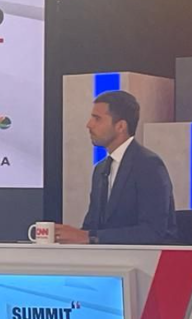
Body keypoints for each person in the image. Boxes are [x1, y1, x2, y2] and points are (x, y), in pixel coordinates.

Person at [56, 90, 178, 245]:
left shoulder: (149, 165)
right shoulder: (100, 169)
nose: (89, 125)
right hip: (108, 258)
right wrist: (68, 236)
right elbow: (92, 227)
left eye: (97, 119)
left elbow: (152, 232)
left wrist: (89, 237)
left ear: (120, 126)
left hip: (143, 258)